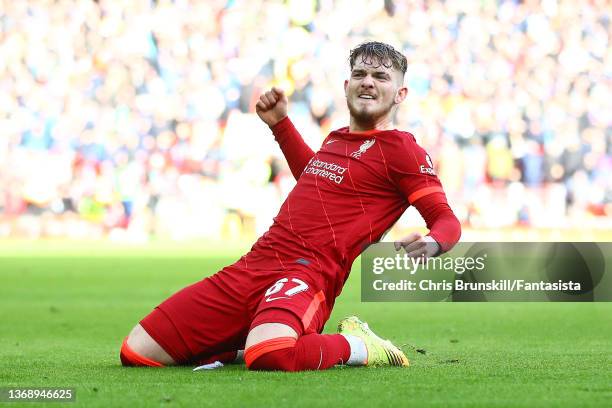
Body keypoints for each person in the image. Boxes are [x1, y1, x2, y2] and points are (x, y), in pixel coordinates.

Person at [120, 41, 461, 371]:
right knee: (137, 352)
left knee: (272, 354)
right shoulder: (337, 139)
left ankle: (359, 345)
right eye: (360, 74)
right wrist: (280, 124)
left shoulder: (402, 150)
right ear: (347, 86)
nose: (368, 82)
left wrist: (432, 242)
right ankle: (243, 339)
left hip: (307, 272)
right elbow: (315, 181)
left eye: (381, 77)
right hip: (256, 262)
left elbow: (446, 219)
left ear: (400, 94)